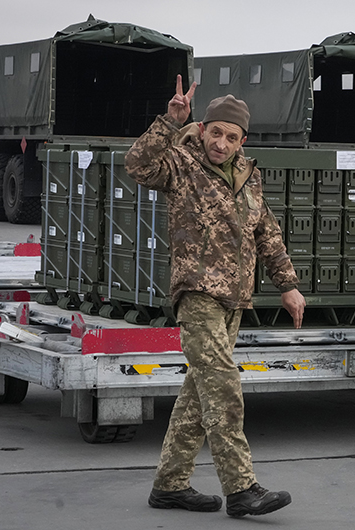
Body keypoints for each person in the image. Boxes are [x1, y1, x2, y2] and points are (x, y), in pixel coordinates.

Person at [125, 75, 306, 517]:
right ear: (203, 129)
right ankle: (242, 488)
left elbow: (267, 232)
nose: (221, 144)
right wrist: (170, 123)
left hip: (234, 301)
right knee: (224, 388)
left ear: (243, 140)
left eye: (231, 137)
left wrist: (288, 284)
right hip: (197, 296)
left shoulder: (250, 177)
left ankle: (169, 485)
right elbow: (136, 165)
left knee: (196, 395)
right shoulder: (181, 166)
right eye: (215, 133)